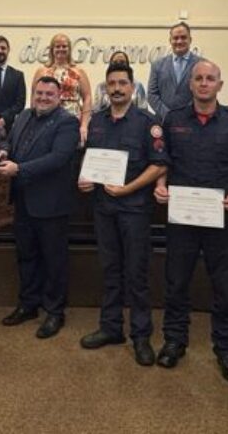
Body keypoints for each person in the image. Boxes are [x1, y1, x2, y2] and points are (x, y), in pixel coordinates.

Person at [153, 59, 228, 382]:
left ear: (219, 85)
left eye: (210, 78)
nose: (203, 83)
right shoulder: (173, 120)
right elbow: (162, 161)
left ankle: (227, 350)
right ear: (190, 84)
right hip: (182, 217)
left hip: (223, 216)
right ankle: (174, 341)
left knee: (226, 286)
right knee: (176, 282)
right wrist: (159, 185)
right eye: (198, 78)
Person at [77, 62, 168, 366]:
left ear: (132, 88)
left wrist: (129, 188)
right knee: (110, 270)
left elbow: (160, 164)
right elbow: (91, 161)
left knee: (137, 274)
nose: (116, 88)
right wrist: (85, 180)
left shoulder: (147, 123)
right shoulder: (98, 122)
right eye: (111, 83)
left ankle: (141, 336)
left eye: (122, 83)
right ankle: (111, 328)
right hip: (103, 210)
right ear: (106, 87)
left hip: (134, 211)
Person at [0, 76, 80, 339]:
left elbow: (58, 158)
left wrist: (19, 168)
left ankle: (55, 312)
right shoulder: (23, 116)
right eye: (39, 93)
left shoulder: (67, 122)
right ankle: (29, 304)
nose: (42, 98)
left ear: (59, 97)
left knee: (54, 260)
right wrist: (5, 151)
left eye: (48, 94)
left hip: (51, 204)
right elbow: (11, 141)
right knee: (26, 256)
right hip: (23, 201)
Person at [31, 33, 92, 142]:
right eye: (57, 46)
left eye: (64, 46)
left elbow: (87, 97)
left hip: (72, 117)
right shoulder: (42, 71)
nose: (61, 49)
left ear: (69, 49)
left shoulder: (79, 72)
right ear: (52, 49)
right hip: (47, 117)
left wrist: (84, 125)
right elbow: (34, 97)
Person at [147, 22, 200, 120]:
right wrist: (168, 115)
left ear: (190, 40)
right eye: (175, 38)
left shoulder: (201, 65)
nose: (179, 41)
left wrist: (186, 114)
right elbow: (152, 94)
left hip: (192, 121)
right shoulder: (157, 65)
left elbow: (202, 92)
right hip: (163, 121)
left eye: (183, 37)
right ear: (170, 40)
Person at [92, 51, 152, 117]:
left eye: (122, 62)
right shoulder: (101, 87)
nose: (118, 63)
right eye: (115, 62)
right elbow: (96, 109)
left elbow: (143, 109)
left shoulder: (137, 86)